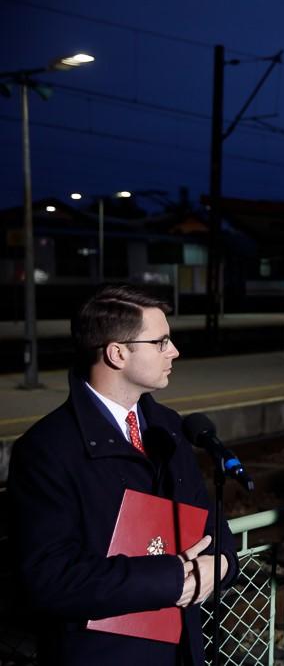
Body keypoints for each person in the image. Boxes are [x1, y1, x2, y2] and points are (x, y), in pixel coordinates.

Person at [7, 285, 239, 666]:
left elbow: (212, 524)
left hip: (182, 649)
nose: (174, 351)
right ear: (117, 353)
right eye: (161, 341)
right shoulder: (47, 448)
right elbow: (49, 579)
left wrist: (223, 565)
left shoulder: (169, 428)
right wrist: (171, 578)